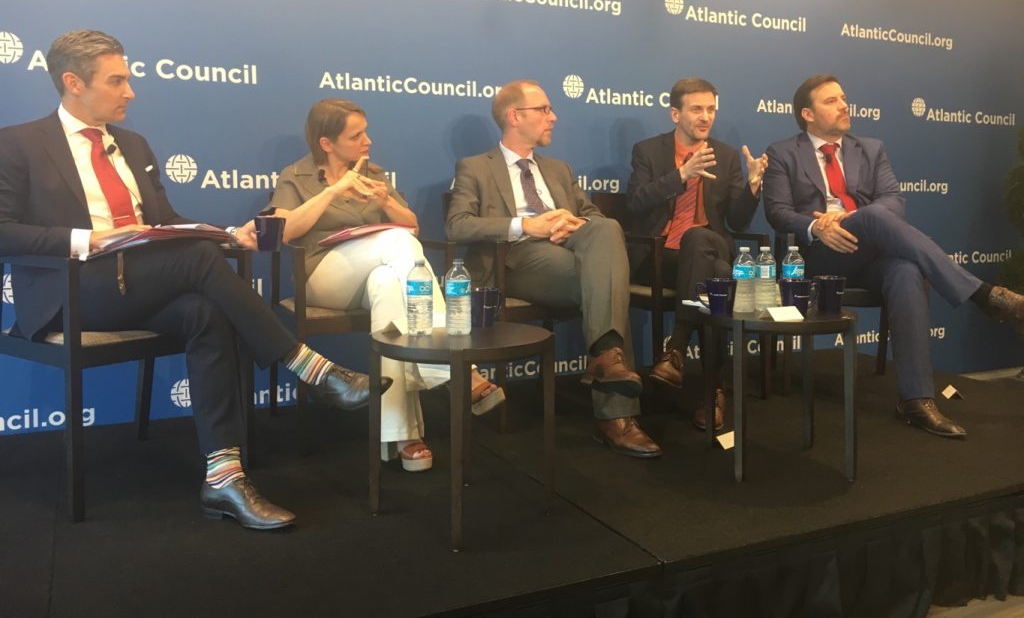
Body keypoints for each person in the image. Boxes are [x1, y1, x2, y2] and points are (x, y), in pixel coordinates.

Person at [0, 30, 393, 530]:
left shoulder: (132, 144)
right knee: (200, 261)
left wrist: (227, 235)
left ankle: (224, 478)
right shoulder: (18, 144)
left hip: (139, 283)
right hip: (71, 291)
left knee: (205, 310)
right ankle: (310, 367)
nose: (131, 91)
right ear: (74, 82)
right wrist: (89, 239)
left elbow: (165, 221)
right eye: (117, 81)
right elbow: (4, 230)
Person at [763, 74, 1024, 438]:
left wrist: (853, 219)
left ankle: (916, 400)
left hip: (873, 255)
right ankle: (984, 295)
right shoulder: (783, 153)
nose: (844, 105)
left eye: (844, 98)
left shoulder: (871, 149)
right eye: (831, 101)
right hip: (822, 258)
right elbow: (777, 212)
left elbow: (893, 201)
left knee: (905, 269)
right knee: (872, 217)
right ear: (807, 114)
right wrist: (817, 226)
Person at [253, 99, 504, 473]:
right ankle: (454, 366)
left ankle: (401, 435)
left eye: (366, 132)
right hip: (321, 276)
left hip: (373, 271)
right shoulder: (297, 175)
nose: (368, 141)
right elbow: (284, 231)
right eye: (356, 135)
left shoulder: (374, 173)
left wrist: (385, 200)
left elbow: (412, 225)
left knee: (388, 283)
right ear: (326, 143)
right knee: (396, 243)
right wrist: (333, 192)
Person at [446, 80, 661, 458]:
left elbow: (593, 218)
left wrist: (573, 223)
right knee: (609, 284)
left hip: (571, 252)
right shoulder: (476, 167)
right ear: (515, 116)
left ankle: (607, 357)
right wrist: (526, 225)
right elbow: (457, 225)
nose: (554, 117)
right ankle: (616, 414)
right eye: (544, 109)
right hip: (517, 259)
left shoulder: (558, 169)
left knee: (606, 232)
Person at [626, 78, 767, 431]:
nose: (706, 117)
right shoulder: (648, 151)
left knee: (699, 240)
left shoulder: (727, 155)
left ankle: (676, 348)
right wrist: (681, 175)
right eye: (697, 109)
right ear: (675, 114)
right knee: (717, 276)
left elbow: (737, 221)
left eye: (711, 109)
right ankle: (714, 391)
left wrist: (752, 186)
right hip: (659, 258)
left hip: (707, 244)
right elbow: (635, 203)